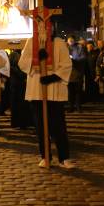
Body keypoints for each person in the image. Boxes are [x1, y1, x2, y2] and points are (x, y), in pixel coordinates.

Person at [19, 32, 74, 169]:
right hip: (37, 89)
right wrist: (36, 59)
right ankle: (45, 156)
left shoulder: (59, 43)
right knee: (41, 127)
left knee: (59, 127)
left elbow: (66, 64)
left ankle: (64, 158)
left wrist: (53, 77)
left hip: (54, 90)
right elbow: (22, 63)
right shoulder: (31, 42)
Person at [8, 49, 32, 129]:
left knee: (16, 105)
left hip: (14, 86)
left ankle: (16, 123)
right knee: (21, 105)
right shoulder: (18, 64)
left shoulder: (10, 65)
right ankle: (22, 123)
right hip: (20, 85)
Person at [67, 36, 86, 113]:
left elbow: (83, 57)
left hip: (77, 71)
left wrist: (74, 60)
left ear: (74, 41)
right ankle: (71, 106)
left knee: (78, 91)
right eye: (69, 40)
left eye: (72, 40)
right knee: (70, 92)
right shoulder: (66, 48)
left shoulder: (79, 48)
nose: (71, 41)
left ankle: (78, 107)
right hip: (69, 73)